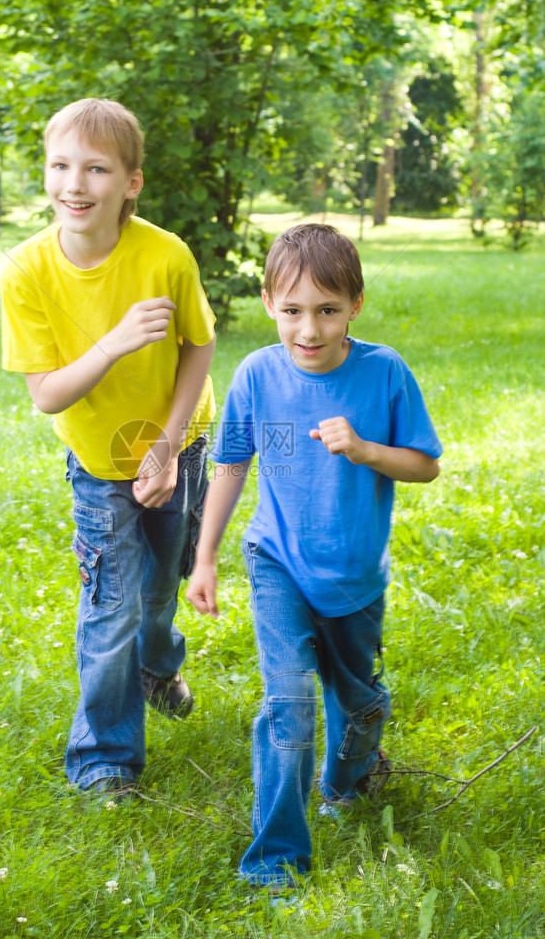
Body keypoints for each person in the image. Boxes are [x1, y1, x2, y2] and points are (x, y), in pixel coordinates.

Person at [186, 223, 442, 888]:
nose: (308, 328)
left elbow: (423, 466)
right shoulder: (255, 373)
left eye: (326, 310)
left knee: (357, 704)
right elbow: (231, 466)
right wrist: (204, 557)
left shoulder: (382, 372)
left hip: (355, 575)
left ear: (354, 305)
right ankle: (275, 860)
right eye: (292, 310)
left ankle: (347, 779)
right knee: (289, 701)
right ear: (269, 302)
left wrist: (364, 450)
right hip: (277, 562)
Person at [1, 98, 216, 798]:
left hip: (176, 450)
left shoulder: (164, 255)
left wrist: (165, 444)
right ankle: (104, 758)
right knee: (112, 605)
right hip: (98, 464)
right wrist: (114, 341)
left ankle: (158, 667)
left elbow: (199, 344)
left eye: (95, 168)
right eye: (59, 165)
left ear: (130, 183)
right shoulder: (28, 269)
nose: (73, 184)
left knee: (159, 594)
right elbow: (47, 395)